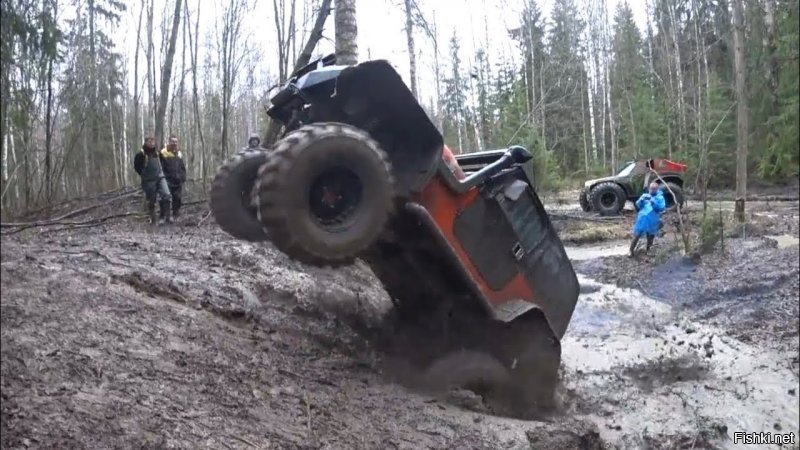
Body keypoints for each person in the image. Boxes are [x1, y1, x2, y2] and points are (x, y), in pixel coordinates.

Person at [134, 136, 172, 225]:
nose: (151, 143)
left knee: (166, 195)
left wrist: (165, 173)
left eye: (153, 141)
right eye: (149, 141)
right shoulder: (141, 154)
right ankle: (152, 219)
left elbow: (164, 163)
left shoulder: (158, 153)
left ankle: (167, 217)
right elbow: (137, 167)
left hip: (160, 177)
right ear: (146, 142)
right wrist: (144, 174)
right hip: (149, 180)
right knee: (152, 200)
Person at [629, 182, 666, 256]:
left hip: (653, 219)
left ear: (657, 189)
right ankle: (631, 251)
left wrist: (653, 203)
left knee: (650, 236)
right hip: (642, 219)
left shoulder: (660, 197)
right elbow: (638, 205)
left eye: (654, 189)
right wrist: (641, 200)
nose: (652, 190)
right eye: (651, 189)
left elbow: (661, 208)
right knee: (637, 234)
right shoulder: (645, 195)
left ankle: (648, 250)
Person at [159, 135, 187, 219]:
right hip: (166, 180)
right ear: (169, 142)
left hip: (177, 181)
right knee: (165, 198)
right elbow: (160, 167)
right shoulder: (163, 152)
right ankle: (164, 216)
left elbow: (182, 167)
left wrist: (183, 177)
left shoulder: (179, 153)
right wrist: (162, 178)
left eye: (176, 142)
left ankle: (176, 214)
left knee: (177, 198)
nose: (174, 143)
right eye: (173, 141)